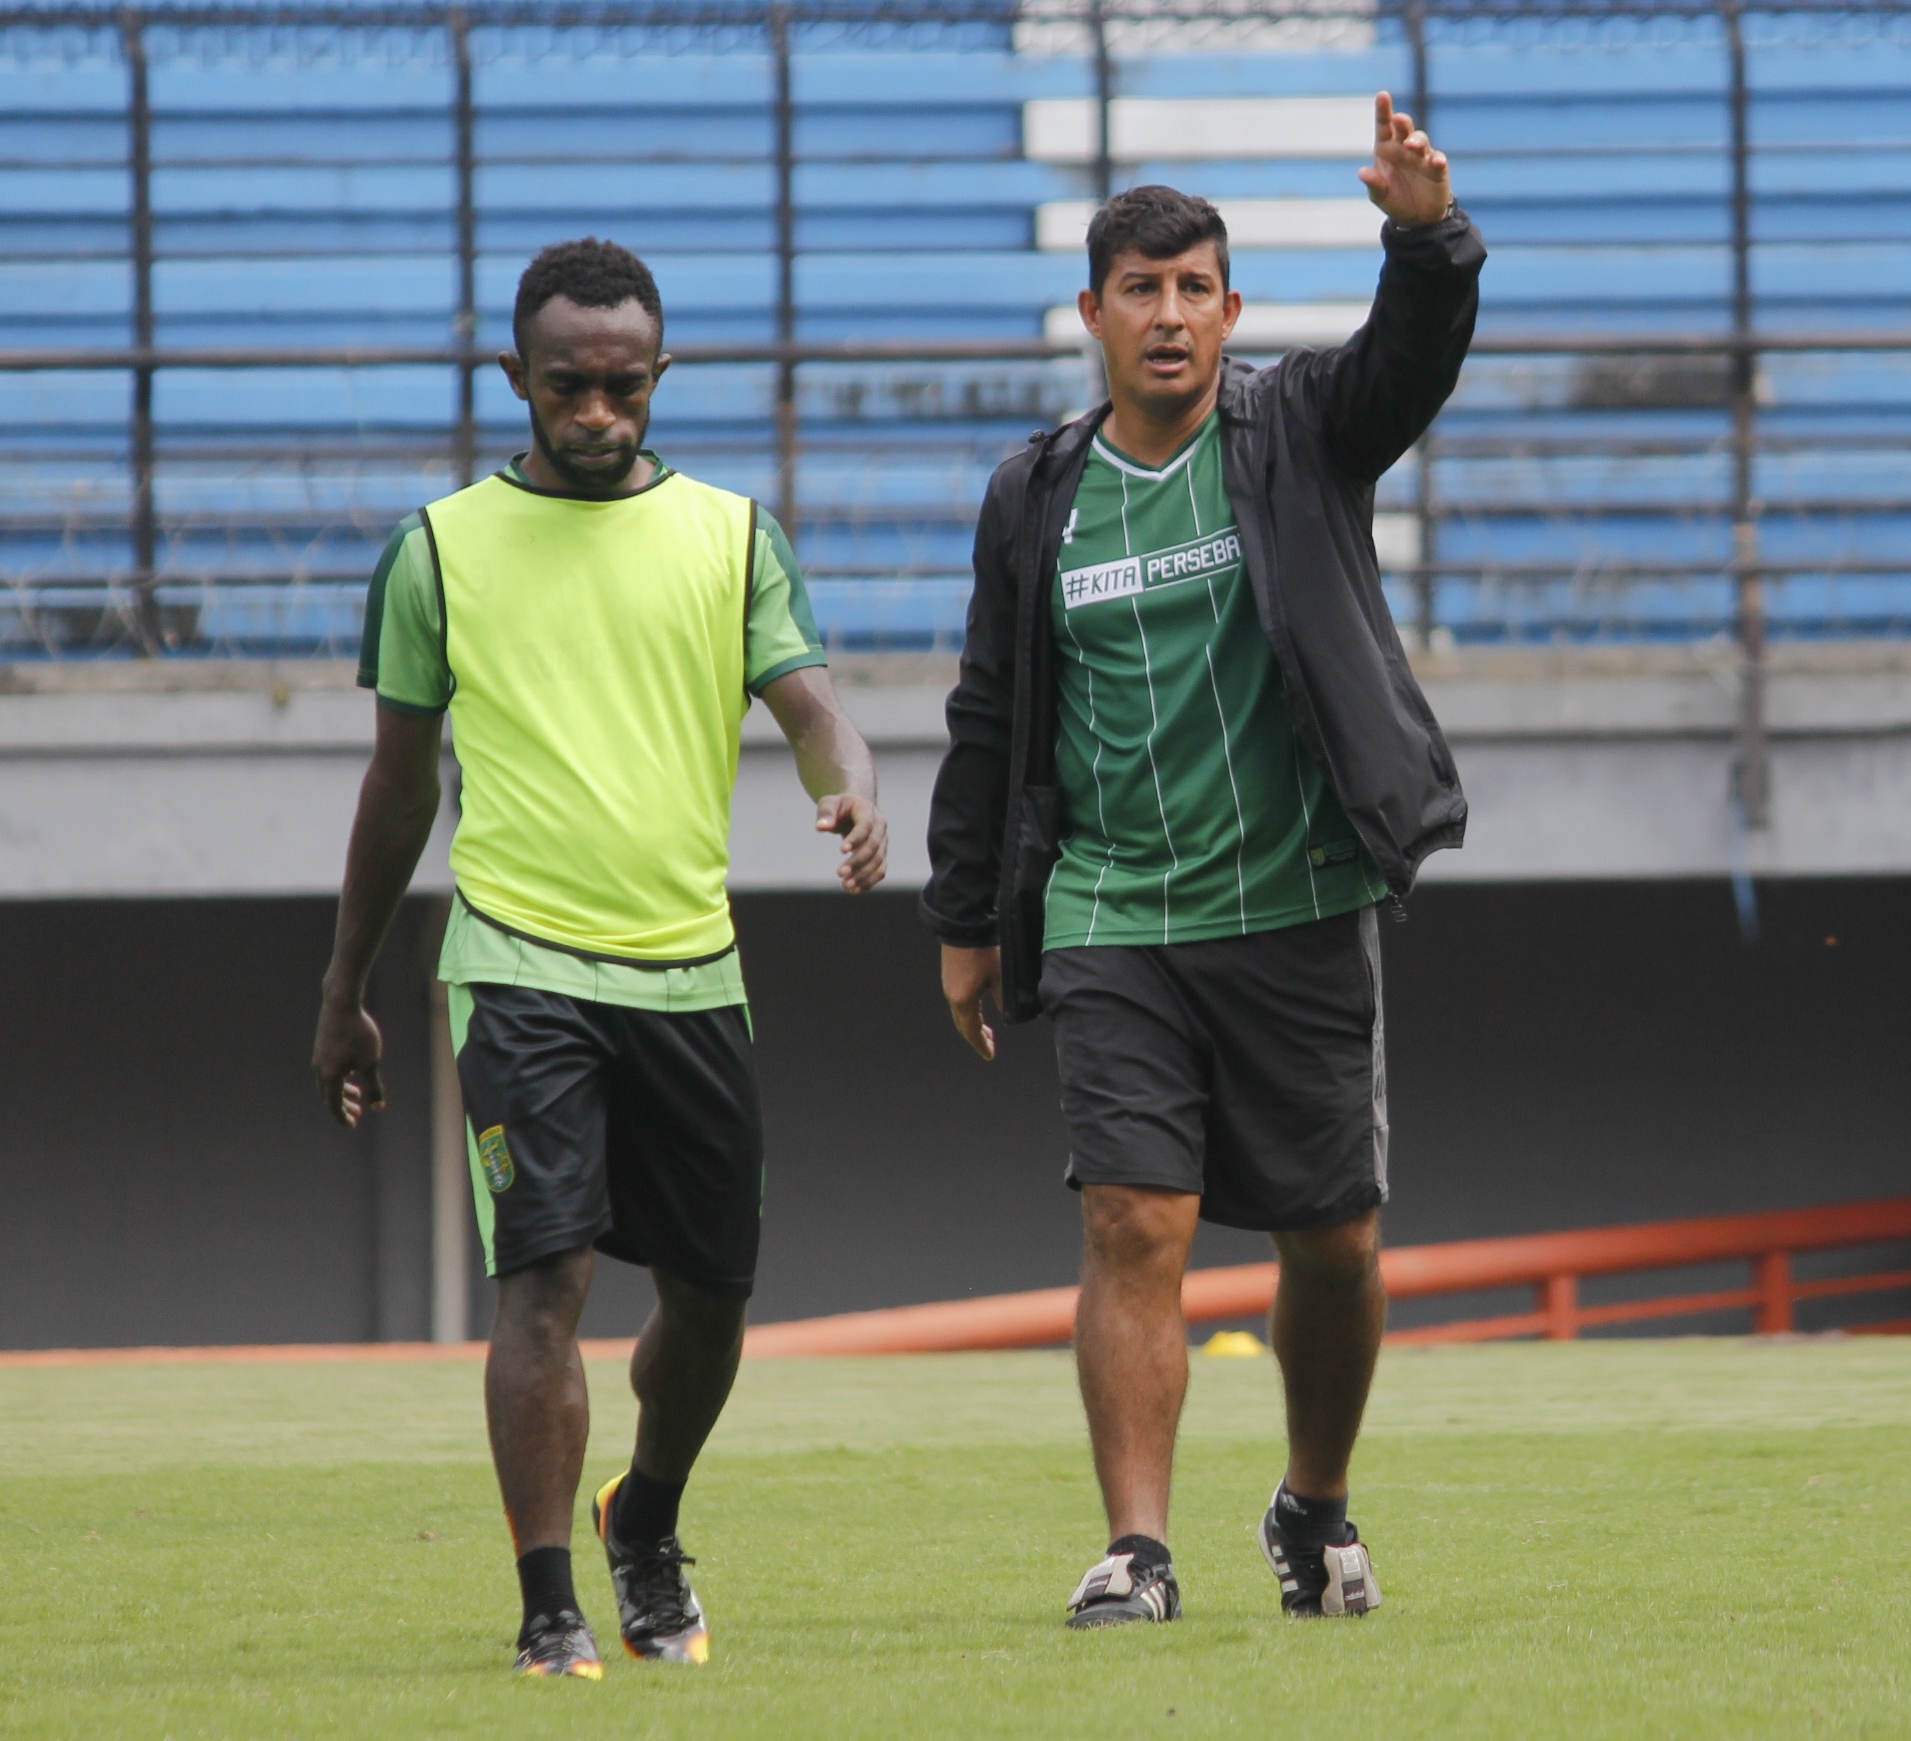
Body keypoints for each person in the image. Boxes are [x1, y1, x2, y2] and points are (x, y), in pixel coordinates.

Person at [920, 95, 1480, 1627]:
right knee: (1131, 1218)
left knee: (1333, 1238)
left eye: (1193, 291)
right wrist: (967, 917)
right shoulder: (1034, 497)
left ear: (1230, 311)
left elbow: (1413, 360)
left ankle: (1312, 1503)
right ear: (1091, 313)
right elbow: (988, 711)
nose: (1167, 318)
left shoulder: (1300, 429)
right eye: (1138, 291)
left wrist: (1425, 235)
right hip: (1114, 908)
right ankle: (1137, 1550)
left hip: (1299, 896)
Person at [313, 238, 887, 1680]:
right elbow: (395, 790)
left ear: (658, 377)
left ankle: (648, 1519)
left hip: (691, 969)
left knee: (711, 1299)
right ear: (515, 378)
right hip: (517, 962)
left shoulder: (731, 534)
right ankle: (548, 1596)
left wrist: (853, 779)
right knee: (544, 1282)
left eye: (623, 386)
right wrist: (346, 994)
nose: (596, 412)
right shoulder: (437, 549)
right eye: (567, 386)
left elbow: (816, 705)